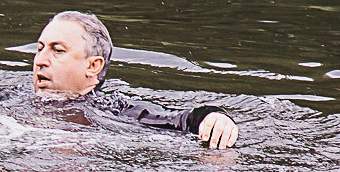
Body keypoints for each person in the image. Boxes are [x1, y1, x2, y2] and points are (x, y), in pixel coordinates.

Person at [31, 10, 240, 149]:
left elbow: (179, 120)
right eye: (39, 49)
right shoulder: (13, 97)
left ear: (93, 66)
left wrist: (213, 116)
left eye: (57, 50)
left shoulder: (115, 110)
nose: (41, 60)